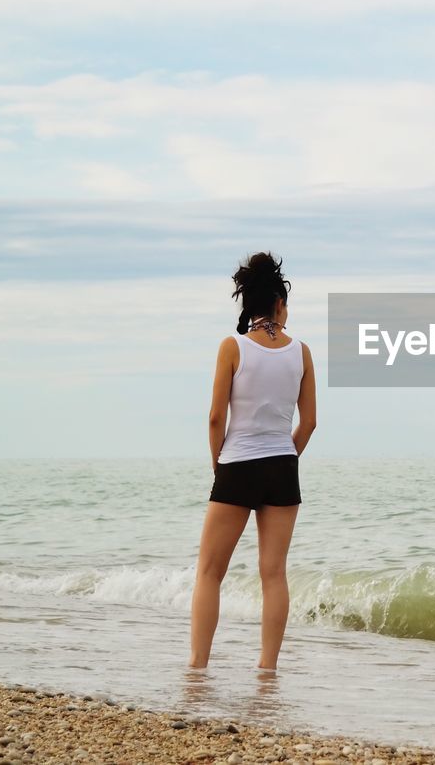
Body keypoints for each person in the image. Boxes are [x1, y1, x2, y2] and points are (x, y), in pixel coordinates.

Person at [189, 251, 317, 670]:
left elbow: (214, 416)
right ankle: (267, 672)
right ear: (279, 304)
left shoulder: (234, 347)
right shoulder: (302, 352)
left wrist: (219, 464)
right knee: (273, 574)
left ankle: (198, 667)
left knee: (210, 572)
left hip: (237, 463)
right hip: (282, 467)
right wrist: (282, 457)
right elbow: (310, 422)